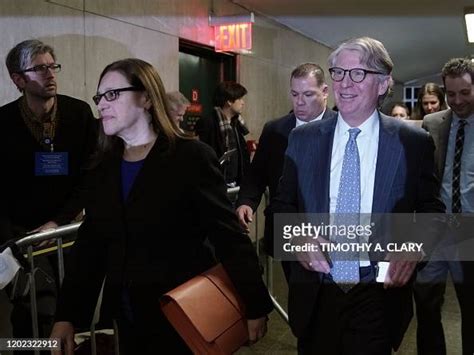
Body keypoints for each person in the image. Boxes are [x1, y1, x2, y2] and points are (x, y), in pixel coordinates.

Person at [50, 58, 273, 355]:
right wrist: (68, 315)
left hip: (182, 315)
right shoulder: (103, 166)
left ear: (145, 97)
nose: (102, 104)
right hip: (124, 318)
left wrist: (254, 303)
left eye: (113, 94)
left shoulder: (189, 157)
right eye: (99, 97)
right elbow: (91, 245)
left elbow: (228, 236)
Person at [272, 37, 445, 354]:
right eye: (338, 73)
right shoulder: (303, 139)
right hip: (316, 293)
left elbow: (432, 210)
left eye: (357, 74)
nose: (344, 83)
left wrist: (413, 246)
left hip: (376, 295)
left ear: (383, 84)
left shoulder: (412, 142)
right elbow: (282, 206)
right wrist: (297, 238)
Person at [0, 39, 97, 344]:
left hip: (67, 229)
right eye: (39, 68)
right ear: (18, 79)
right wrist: (10, 240)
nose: (50, 74)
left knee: (70, 311)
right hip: (20, 235)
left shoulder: (79, 114)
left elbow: (91, 175)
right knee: (33, 312)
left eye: (52, 66)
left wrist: (59, 220)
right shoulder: (2, 122)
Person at [235, 63, 336, 280]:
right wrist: (246, 201)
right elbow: (257, 173)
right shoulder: (275, 130)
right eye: (295, 94)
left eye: (308, 94)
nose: (299, 102)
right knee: (299, 297)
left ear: (325, 92)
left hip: (330, 232)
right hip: (288, 231)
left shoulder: (341, 129)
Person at [415, 57, 474, 355]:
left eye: (465, 92)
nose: (457, 100)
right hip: (436, 230)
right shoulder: (433, 123)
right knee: (425, 302)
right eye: (451, 94)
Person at [195, 81, 250, 186]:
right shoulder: (208, 122)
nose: (243, 103)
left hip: (236, 184)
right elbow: (201, 158)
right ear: (229, 101)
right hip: (215, 184)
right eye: (240, 99)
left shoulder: (237, 124)